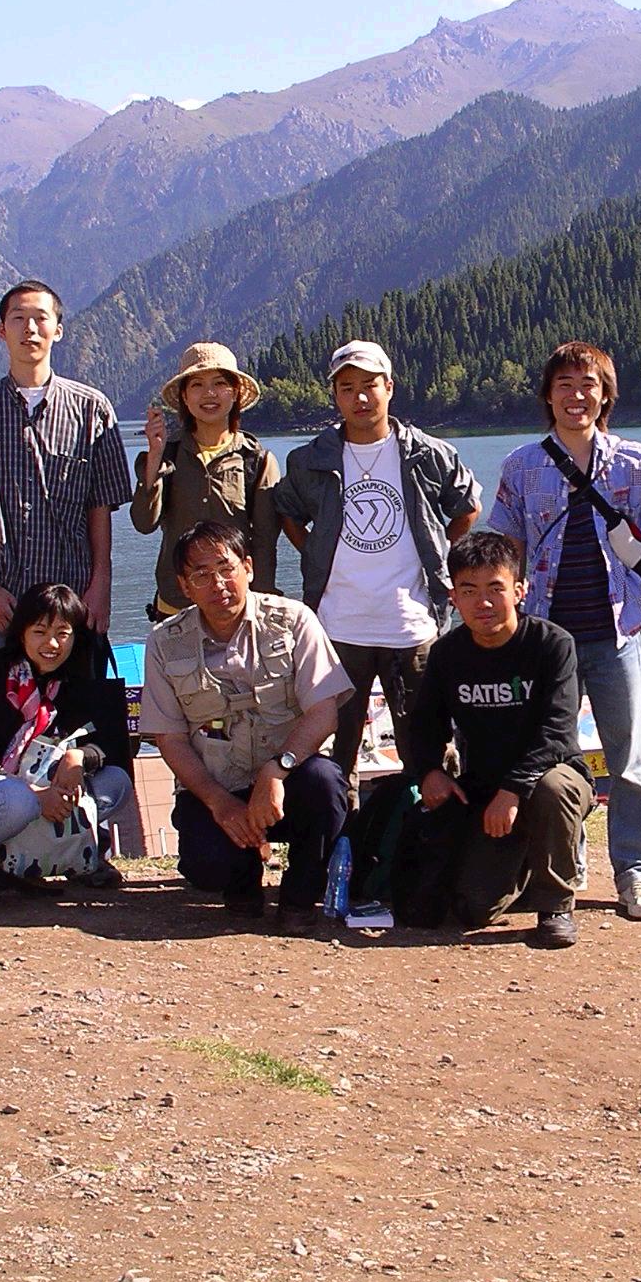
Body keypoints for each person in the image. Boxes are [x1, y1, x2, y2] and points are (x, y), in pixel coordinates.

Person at [487, 342, 641, 922]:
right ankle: (569, 859)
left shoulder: (635, 461)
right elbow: (507, 550)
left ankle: (635, 873)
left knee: (630, 759)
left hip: (617, 635)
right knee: (553, 759)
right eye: (564, 384)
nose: (576, 395)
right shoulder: (522, 465)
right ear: (548, 395)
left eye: (587, 384)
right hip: (547, 642)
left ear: (605, 395)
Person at [274, 340, 480, 786]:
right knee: (335, 755)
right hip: (336, 628)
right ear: (335, 396)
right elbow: (286, 510)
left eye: (369, 385)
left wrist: (438, 551)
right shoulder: (310, 459)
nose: (360, 397)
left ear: (390, 387)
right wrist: (314, 551)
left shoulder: (428, 453)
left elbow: (467, 507)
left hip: (412, 626)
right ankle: (340, 830)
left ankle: (429, 829)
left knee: (426, 749)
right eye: (347, 388)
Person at [138, 520, 353, 926]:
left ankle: (299, 897)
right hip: (219, 786)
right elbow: (170, 738)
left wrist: (278, 769)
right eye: (201, 575)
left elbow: (324, 710)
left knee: (325, 785)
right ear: (184, 586)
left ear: (248, 568)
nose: (218, 584)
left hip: (288, 780)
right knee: (205, 866)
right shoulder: (166, 642)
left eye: (226, 568)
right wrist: (219, 802)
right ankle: (241, 884)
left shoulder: (294, 620)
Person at [0, 280, 133, 661]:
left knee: (80, 700)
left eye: (40, 318)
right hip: (2, 605)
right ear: (1, 330)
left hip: (74, 602)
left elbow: (100, 507)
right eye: (18, 318)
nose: (30, 329)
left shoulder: (92, 409)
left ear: (59, 330)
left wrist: (101, 584)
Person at [406, 530, 594, 949]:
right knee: (472, 910)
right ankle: (525, 864)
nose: (483, 603)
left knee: (553, 789)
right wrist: (430, 771)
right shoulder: (447, 653)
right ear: (453, 598)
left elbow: (557, 731)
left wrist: (513, 790)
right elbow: (425, 723)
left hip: (553, 775)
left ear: (519, 591)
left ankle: (555, 906)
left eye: (496, 588)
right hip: (485, 787)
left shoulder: (552, 645)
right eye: (469, 591)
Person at [0, 583, 136, 905]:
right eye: (40, 631)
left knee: (115, 783)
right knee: (16, 799)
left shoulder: (75, 683)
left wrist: (79, 757)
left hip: (30, 791)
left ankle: (75, 858)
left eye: (63, 633)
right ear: (21, 633)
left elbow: (105, 744)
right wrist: (35, 794)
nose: (52, 644)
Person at [130, 341, 281, 621]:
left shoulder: (257, 460)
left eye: (219, 383)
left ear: (235, 393)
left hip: (234, 606)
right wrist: (154, 458)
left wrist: (261, 604)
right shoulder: (166, 454)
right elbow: (143, 523)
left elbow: (265, 542)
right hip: (175, 604)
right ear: (184, 397)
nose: (209, 393)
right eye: (197, 385)